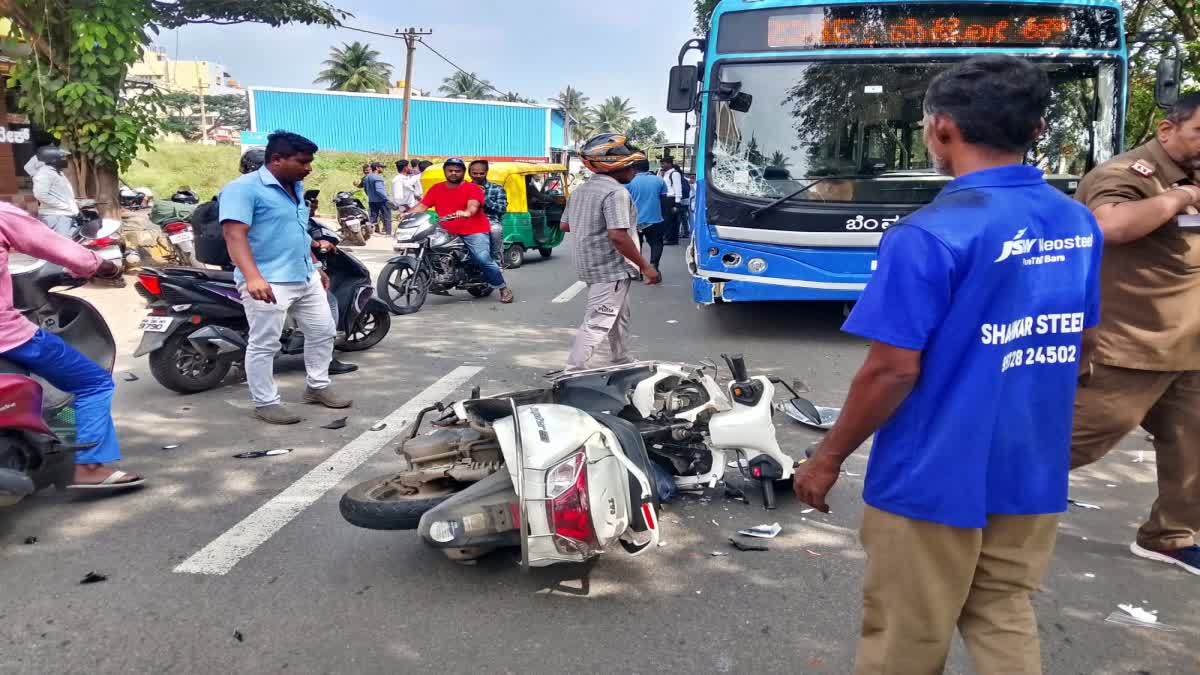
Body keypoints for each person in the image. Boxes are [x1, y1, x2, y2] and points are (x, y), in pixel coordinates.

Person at [792, 55, 1102, 674]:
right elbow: (1084, 343)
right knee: (1003, 614)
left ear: (939, 130)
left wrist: (825, 460)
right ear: (1036, 129)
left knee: (905, 640)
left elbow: (891, 371)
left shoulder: (929, 233)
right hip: (1028, 467)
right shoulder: (1076, 221)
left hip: (931, 475)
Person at [1070, 92, 1200, 575]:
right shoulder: (1126, 175)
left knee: (1193, 447)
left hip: (1187, 346)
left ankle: (1169, 536)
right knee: (1070, 443)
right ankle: (960, 490)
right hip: (1128, 347)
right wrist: (1179, 197)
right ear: (1167, 130)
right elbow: (1109, 225)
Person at [0, 201, 144, 490]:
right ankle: (90, 466)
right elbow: (57, 247)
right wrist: (103, 266)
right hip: (8, 337)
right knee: (94, 382)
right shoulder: (3, 215)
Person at [220, 131, 352, 425]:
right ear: (277, 159)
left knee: (323, 331)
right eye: (303, 161)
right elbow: (233, 234)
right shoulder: (243, 189)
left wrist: (315, 264)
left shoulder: (295, 187)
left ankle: (317, 386)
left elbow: (297, 231)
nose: (309, 168)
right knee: (265, 343)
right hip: (268, 280)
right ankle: (265, 402)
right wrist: (253, 278)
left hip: (304, 275)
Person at [561, 134, 662, 372]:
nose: (634, 170)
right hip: (610, 267)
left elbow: (565, 225)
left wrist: (591, 226)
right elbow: (618, 236)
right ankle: (573, 370)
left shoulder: (580, 190)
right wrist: (645, 266)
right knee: (599, 321)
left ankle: (620, 359)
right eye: (630, 165)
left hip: (590, 264)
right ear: (615, 164)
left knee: (619, 317)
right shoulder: (615, 192)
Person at [400, 158, 514, 303]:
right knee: (424, 244)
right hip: (445, 228)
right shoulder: (436, 188)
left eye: (457, 171)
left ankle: (503, 288)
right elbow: (422, 206)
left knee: (482, 258)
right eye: (450, 170)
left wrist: (467, 212)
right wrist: (408, 214)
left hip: (474, 228)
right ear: (445, 172)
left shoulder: (473, 189)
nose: (453, 173)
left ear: (463, 173)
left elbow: (473, 205)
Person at [25, 147, 79, 237]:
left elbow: (61, 193)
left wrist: (72, 203)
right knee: (61, 245)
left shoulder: (58, 172)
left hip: (65, 215)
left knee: (69, 243)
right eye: (62, 158)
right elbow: (40, 195)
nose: (64, 160)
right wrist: (64, 205)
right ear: (53, 160)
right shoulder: (44, 174)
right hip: (56, 217)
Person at [624, 159, 668, 271]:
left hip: (634, 221)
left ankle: (637, 269)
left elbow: (624, 201)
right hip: (655, 219)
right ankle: (654, 266)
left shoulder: (628, 182)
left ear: (634, 168)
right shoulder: (659, 180)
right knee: (656, 243)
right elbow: (664, 200)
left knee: (635, 246)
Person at [468, 160, 507, 263]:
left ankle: (496, 261)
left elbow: (502, 209)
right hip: (467, 220)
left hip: (490, 221)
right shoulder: (463, 188)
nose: (478, 176)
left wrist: (484, 197)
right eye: (475, 173)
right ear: (469, 173)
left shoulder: (497, 189)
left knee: (496, 230)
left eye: (481, 173)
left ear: (486, 172)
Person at [659, 156, 684, 245]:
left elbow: (678, 187)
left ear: (669, 163)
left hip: (672, 199)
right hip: (665, 198)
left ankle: (672, 239)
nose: (662, 165)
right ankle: (667, 236)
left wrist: (677, 202)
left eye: (663, 163)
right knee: (666, 219)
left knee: (672, 220)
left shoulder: (674, 173)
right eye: (661, 163)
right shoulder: (665, 173)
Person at [363, 162, 393, 235]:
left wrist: (370, 196)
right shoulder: (378, 177)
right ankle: (388, 233)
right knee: (387, 217)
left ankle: (369, 233)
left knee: (373, 217)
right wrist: (387, 198)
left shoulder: (367, 177)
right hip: (381, 200)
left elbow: (366, 189)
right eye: (381, 167)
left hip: (372, 200)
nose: (383, 169)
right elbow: (379, 190)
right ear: (377, 168)